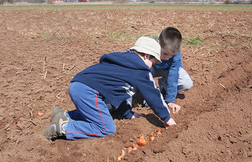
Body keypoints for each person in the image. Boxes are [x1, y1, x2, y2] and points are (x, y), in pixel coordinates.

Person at [44, 37, 176, 141]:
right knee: (105, 128)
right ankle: (63, 127)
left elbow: (117, 95)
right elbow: (153, 95)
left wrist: (128, 114)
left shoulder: (124, 62)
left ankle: (65, 115)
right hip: (88, 91)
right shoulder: (140, 70)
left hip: (78, 84)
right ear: (146, 56)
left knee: (100, 111)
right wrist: (167, 118)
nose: (151, 67)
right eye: (152, 62)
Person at [152, 27, 193, 114]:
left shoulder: (176, 56)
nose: (167, 58)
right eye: (165, 54)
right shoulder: (150, 47)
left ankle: (164, 87)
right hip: (152, 69)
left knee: (187, 83)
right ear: (158, 43)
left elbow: (173, 76)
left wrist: (170, 100)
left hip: (168, 70)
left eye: (171, 55)